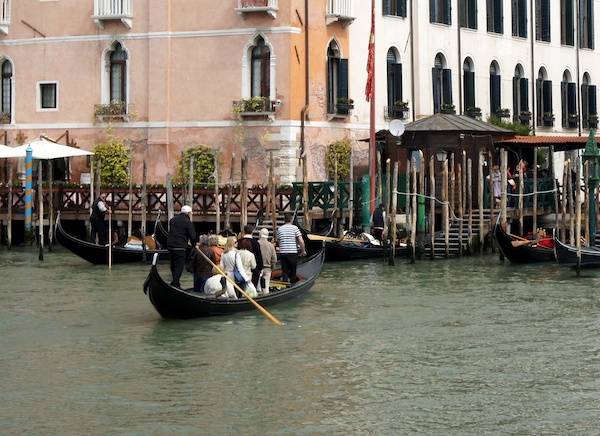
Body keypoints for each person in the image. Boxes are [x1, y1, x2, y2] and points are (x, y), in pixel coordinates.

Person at [167, 205, 197, 288]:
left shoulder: (172, 220)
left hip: (170, 245)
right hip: (180, 246)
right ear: (188, 213)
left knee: (173, 263)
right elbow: (192, 236)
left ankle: (174, 280)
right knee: (179, 265)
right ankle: (175, 283)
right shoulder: (188, 222)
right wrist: (194, 245)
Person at [275, 213, 306, 284]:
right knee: (293, 272)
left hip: (283, 253)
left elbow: (279, 242)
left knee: (285, 272)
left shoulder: (280, 229)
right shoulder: (295, 228)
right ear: (291, 220)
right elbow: (301, 241)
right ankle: (293, 286)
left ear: (284, 220)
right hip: (292, 253)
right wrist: (303, 251)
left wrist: (282, 248)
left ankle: (285, 287)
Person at [240, 224, 263, 293]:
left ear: (243, 231)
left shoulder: (239, 241)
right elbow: (259, 256)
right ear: (252, 232)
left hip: (240, 268)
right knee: (252, 287)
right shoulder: (256, 243)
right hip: (253, 269)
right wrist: (261, 268)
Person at [258, 228, 277, 294]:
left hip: (257, 268)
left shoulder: (256, 244)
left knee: (256, 286)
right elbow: (274, 259)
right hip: (267, 268)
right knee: (265, 287)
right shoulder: (271, 246)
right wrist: (272, 267)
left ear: (260, 235)